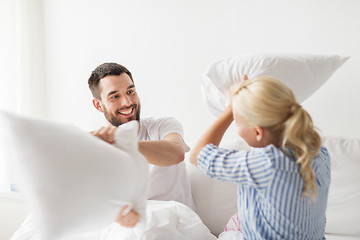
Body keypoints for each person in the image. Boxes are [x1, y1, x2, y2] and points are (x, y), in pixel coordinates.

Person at [189, 75, 331, 239]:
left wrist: (230, 108)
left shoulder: (265, 164)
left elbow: (197, 154)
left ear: (258, 132)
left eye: (237, 123)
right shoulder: (319, 153)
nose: (237, 129)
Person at [88, 62, 195, 227]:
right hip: (136, 229)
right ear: (98, 105)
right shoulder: (98, 148)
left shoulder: (163, 126)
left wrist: (121, 142)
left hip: (179, 226)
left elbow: (176, 154)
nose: (127, 102)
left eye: (130, 92)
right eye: (114, 96)